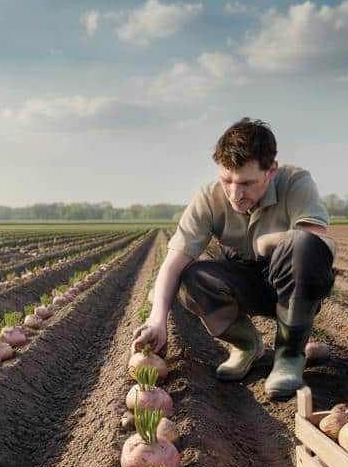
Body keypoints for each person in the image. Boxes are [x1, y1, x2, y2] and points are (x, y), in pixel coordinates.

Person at [132, 118, 336, 400]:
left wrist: (266, 243)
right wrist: (157, 320)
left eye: (246, 183)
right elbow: (173, 261)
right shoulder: (209, 198)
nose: (235, 194)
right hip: (245, 281)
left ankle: (289, 356)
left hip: (293, 285)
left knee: (303, 245)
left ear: (271, 171)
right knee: (190, 278)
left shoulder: (296, 183)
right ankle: (246, 345)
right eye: (227, 180)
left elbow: (317, 240)